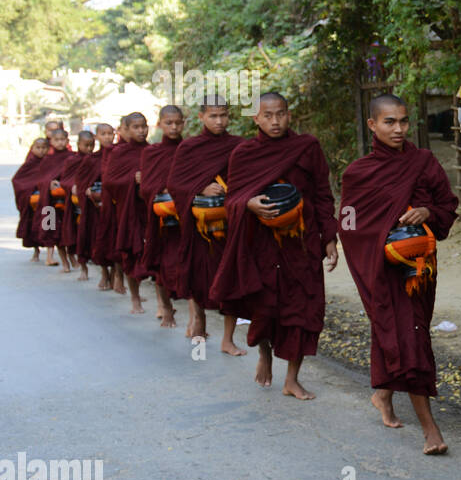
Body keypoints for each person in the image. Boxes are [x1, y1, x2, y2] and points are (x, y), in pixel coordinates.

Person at [340, 94, 459, 454]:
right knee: (410, 338)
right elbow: (348, 223)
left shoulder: (423, 161)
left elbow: (448, 206)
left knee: (404, 333)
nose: (398, 128)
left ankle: (383, 394)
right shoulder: (358, 173)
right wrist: (381, 239)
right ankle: (430, 429)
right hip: (383, 270)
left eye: (404, 121)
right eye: (389, 122)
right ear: (372, 125)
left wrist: (426, 212)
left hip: (419, 269)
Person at [210, 92, 339, 399]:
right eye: (267, 116)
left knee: (303, 309)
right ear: (256, 118)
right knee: (265, 306)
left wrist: (330, 238)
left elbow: (323, 194)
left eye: (280, 114)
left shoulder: (306, 147)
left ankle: (292, 379)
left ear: (289, 115)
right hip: (262, 244)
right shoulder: (244, 153)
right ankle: (265, 354)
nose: (275, 121)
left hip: (301, 243)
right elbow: (233, 199)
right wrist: (248, 204)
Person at [169, 98, 246, 353]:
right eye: (213, 116)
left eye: (223, 115)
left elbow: (249, 178)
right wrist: (199, 186)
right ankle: (199, 320)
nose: (219, 121)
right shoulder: (190, 148)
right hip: (200, 227)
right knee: (199, 276)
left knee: (232, 279)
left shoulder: (239, 146)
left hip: (231, 224)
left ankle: (228, 339)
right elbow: (175, 184)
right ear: (201, 117)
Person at [136, 106, 186, 326]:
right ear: (160, 125)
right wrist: (162, 189)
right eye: (168, 123)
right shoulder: (152, 152)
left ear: (184, 123)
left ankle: (196, 318)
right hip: (161, 218)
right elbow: (145, 187)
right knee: (163, 265)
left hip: (188, 217)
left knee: (190, 262)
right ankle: (166, 307)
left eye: (177, 122)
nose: (173, 127)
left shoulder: (190, 149)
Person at [103, 112, 150, 312]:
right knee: (131, 253)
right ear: (127, 130)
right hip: (129, 211)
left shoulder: (153, 151)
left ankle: (164, 306)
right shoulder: (119, 153)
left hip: (152, 210)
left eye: (143, 126)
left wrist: (149, 179)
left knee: (156, 255)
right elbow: (110, 181)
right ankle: (135, 297)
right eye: (136, 127)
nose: (141, 131)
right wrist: (133, 179)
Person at [62, 130, 99, 281]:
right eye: (86, 145)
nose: (89, 149)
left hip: (92, 203)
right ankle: (82, 268)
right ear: (78, 145)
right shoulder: (72, 160)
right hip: (76, 206)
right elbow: (66, 180)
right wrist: (73, 186)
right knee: (79, 236)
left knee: (91, 236)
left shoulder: (96, 160)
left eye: (92, 145)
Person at [33, 127, 72, 269]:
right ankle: (56, 259)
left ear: (67, 141)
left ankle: (70, 259)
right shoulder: (47, 160)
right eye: (57, 140)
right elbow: (40, 180)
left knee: (67, 230)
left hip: (67, 200)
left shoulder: (72, 157)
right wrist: (48, 184)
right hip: (50, 202)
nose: (60, 143)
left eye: (63, 139)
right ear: (51, 142)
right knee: (51, 229)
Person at [86, 123, 118, 290]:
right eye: (103, 134)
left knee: (115, 239)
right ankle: (105, 273)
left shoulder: (118, 154)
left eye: (110, 134)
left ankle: (114, 275)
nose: (107, 137)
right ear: (96, 137)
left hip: (113, 204)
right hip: (96, 205)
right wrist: (87, 189)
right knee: (100, 239)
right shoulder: (92, 159)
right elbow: (82, 179)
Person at [14, 137, 49, 261]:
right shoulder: (29, 163)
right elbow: (17, 180)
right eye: (38, 148)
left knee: (49, 224)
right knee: (32, 224)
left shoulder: (50, 163)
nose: (41, 151)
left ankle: (50, 253)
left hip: (47, 200)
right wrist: (29, 190)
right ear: (32, 149)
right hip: (32, 201)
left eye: (44, 148)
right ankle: (36, 251)